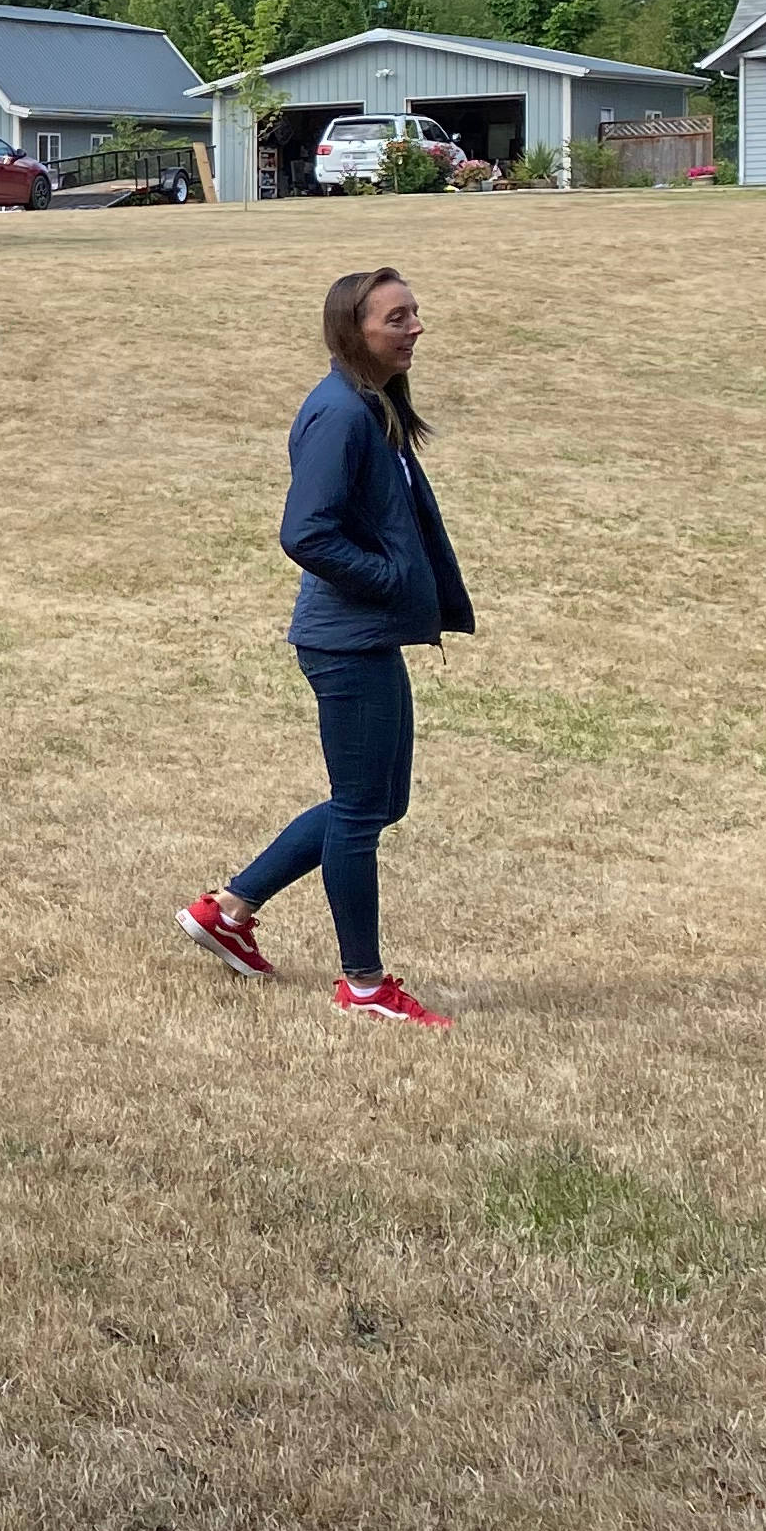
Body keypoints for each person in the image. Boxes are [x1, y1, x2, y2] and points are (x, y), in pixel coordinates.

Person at [179, 264, 472, 1028]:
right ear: (355, 330)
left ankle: (230, 909)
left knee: (378, 801)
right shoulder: (340, 413)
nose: (414, 328)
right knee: (358, 810)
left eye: (415, 314)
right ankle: (365, 985)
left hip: (366, 636)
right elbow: (304, 532)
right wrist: (387, 579)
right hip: (347, 641)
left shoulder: (369, 402)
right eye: (396, 319)